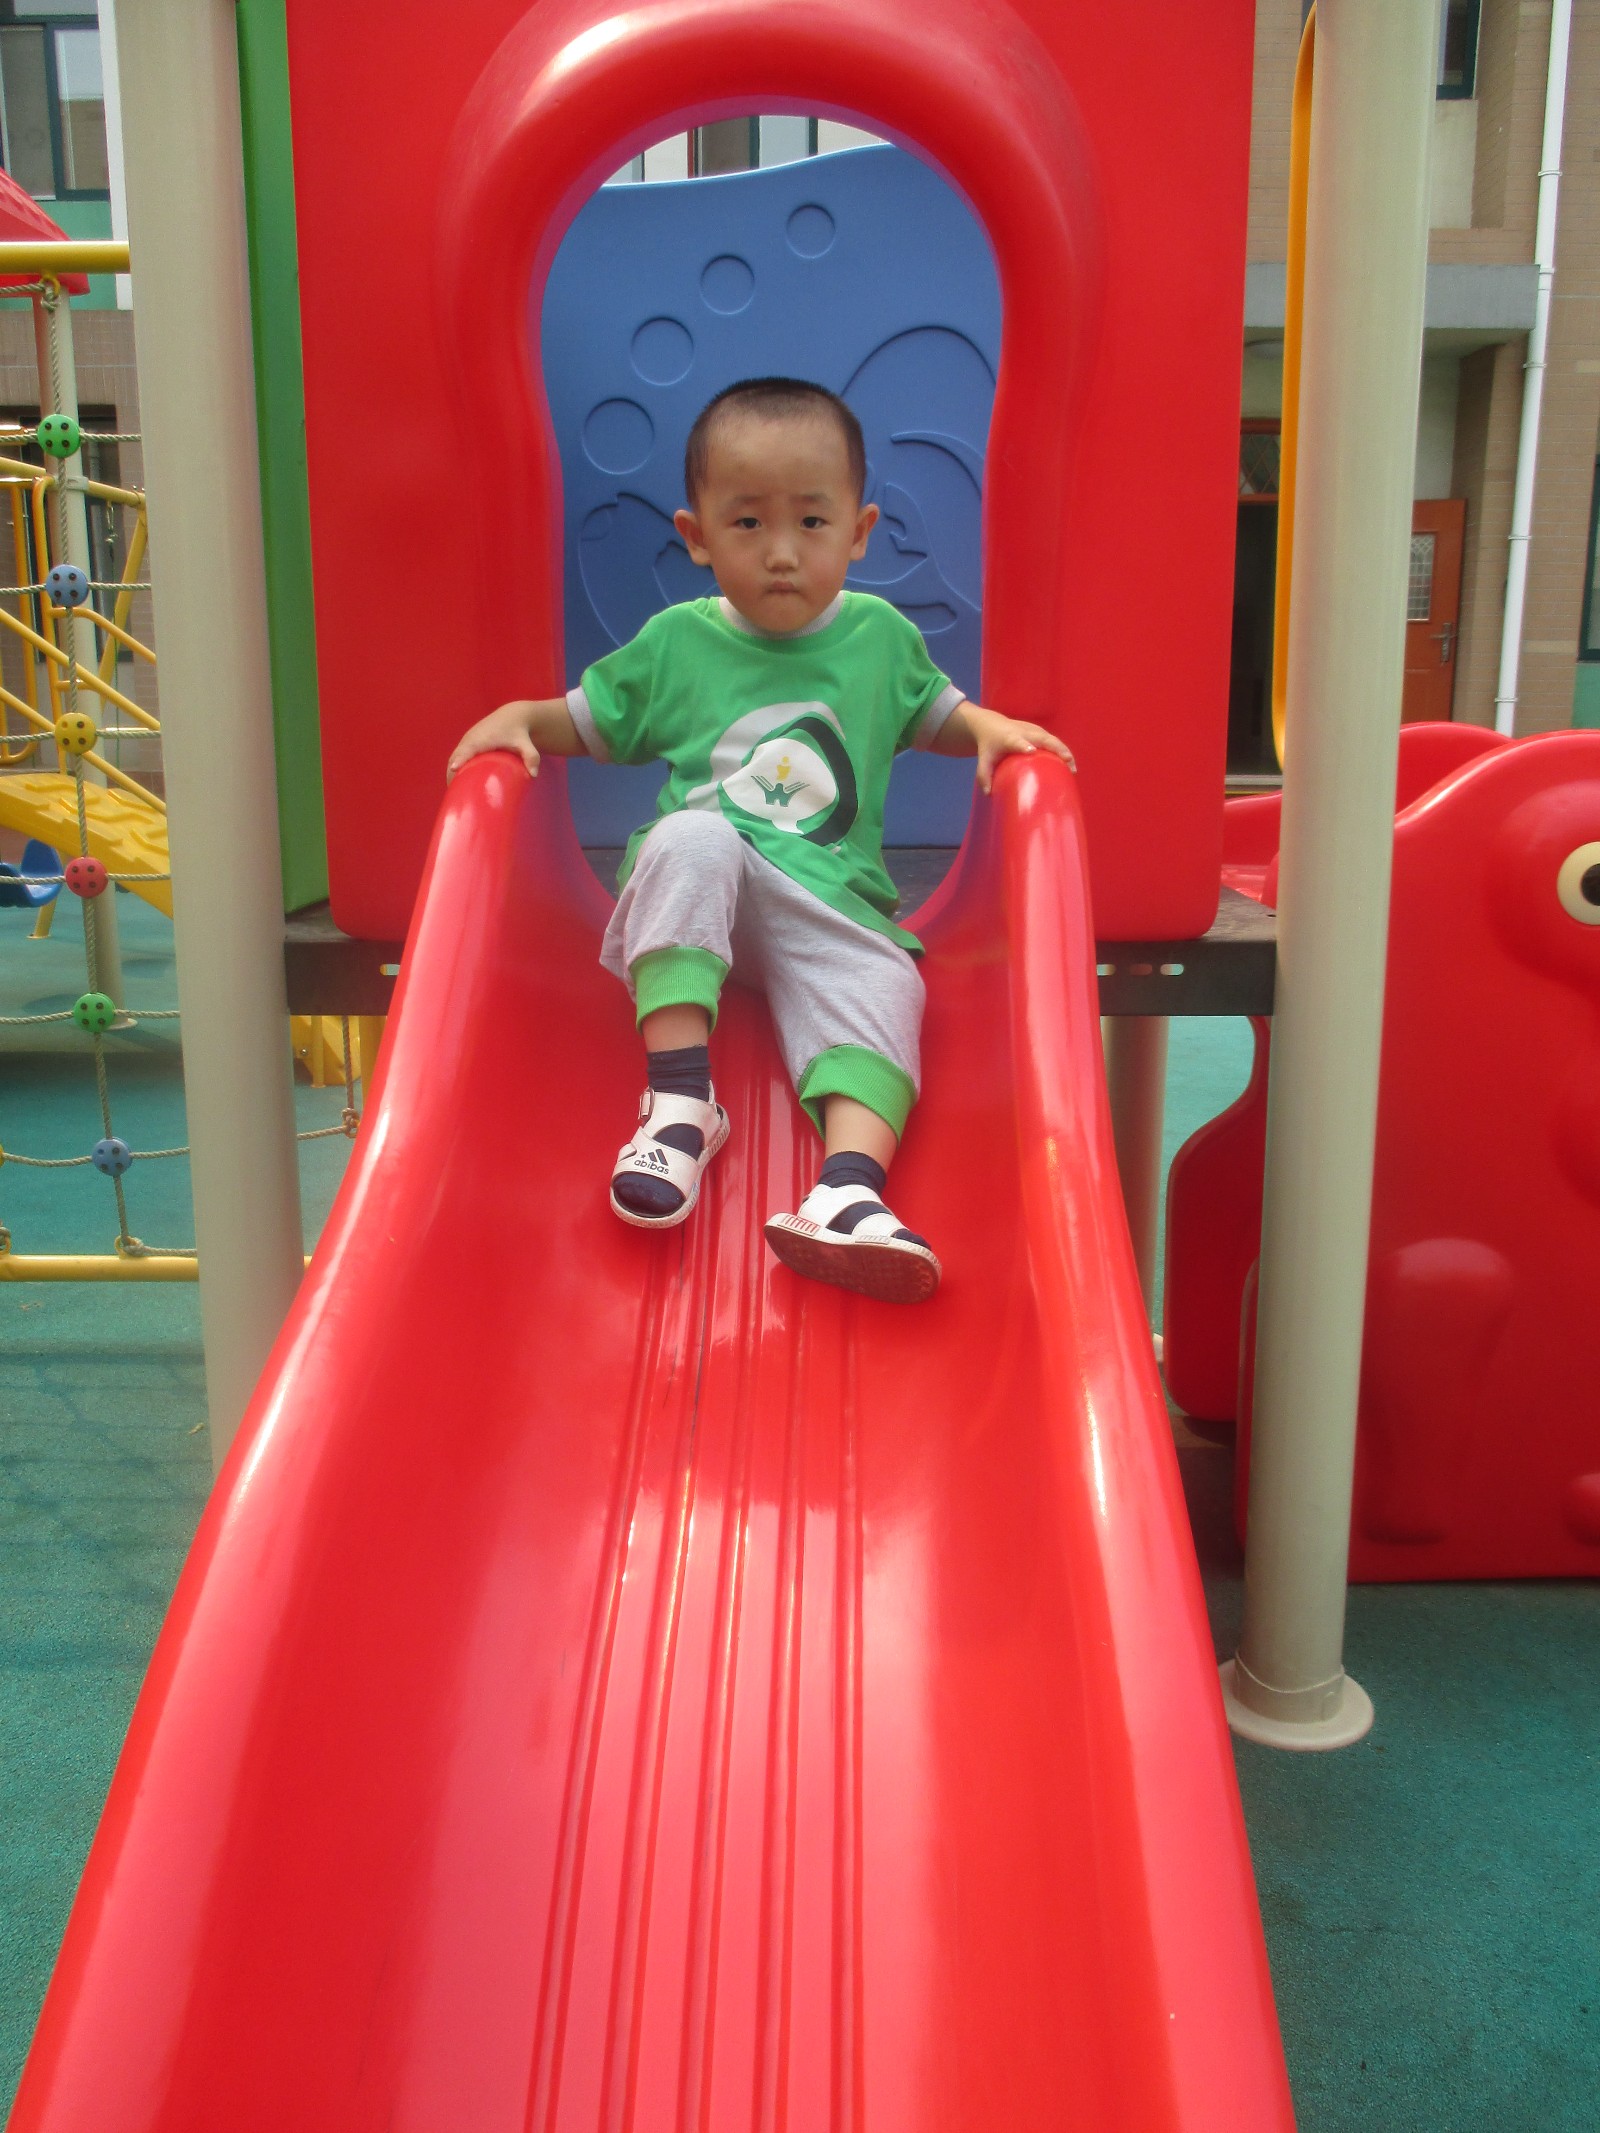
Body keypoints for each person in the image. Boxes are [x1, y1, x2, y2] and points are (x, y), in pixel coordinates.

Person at [447, 376, 1072, 1302]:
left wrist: (986, 728)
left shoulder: (879, 636)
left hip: (827, 903)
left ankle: (848, 1188)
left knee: (889, 983)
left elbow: (931, 711)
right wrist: (520, 720)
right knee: (690, 837)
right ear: (696, 535)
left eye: (812, 522)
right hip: (712, 891)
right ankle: (680, 1102)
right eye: (747, 524)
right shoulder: (676, 643)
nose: (782, 553)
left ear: (859, 531)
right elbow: (589, 722)